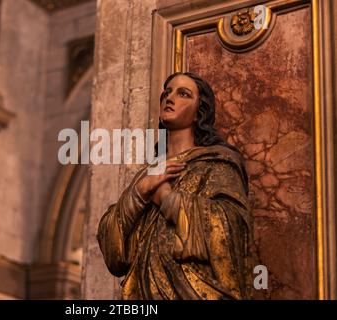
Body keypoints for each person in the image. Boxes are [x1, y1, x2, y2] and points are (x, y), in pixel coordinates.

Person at [96, 72, 253, 300]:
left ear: (200, 113)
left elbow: (233, 229)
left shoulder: (216, 163)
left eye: (183, 94)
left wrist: (168, 199)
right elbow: (112, 247)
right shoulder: (147, 176)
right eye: (167, 92)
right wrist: (139, 193)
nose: (169, 98)